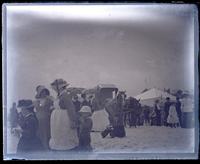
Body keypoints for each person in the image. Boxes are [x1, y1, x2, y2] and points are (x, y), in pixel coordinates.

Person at [49, 79, 79, 151]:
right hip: (58, 118)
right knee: (59, 133)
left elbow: (71, 108)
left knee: (64, 133)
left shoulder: (65, 95)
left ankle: (65, 147)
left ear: (60, 88)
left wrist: (72, 121)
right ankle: (60, 145)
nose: (55, 90)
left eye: (55, 88)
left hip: (63, 118)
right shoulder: (60, 95)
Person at [35, 85, 54, 150]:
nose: (44, 93)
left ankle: (47, 147)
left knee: (47, 134)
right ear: (39, 93)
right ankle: (41, 148)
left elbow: (54, 107)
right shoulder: (36, 101)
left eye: (45, 91)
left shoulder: (49, 99)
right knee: (40, 134)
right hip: (38, 120)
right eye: (42, 91)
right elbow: (35, 110)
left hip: (47, 119)